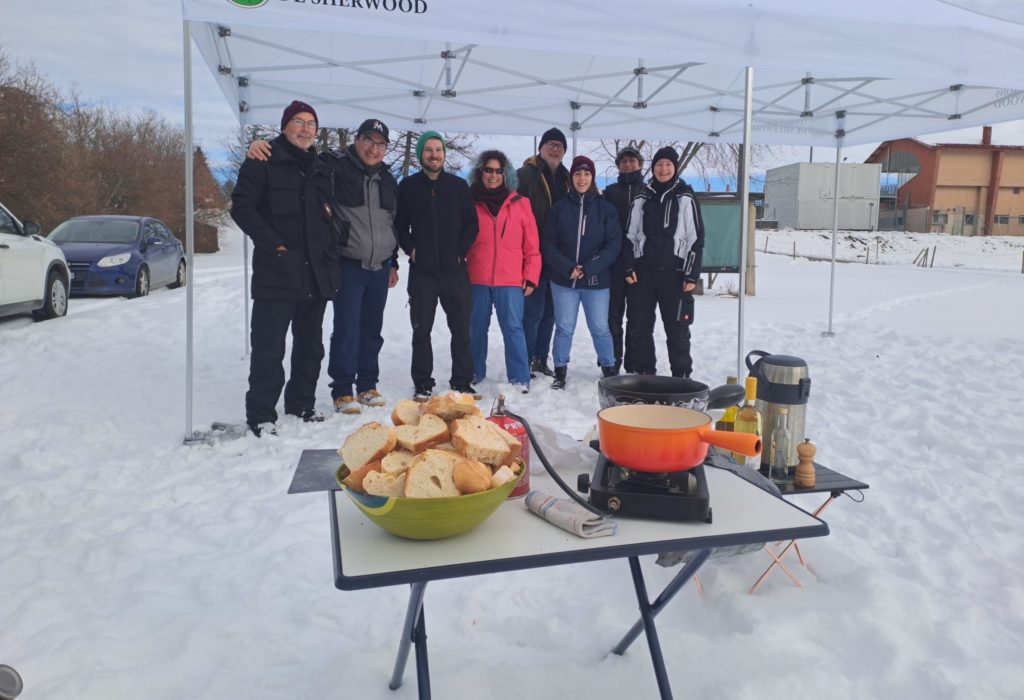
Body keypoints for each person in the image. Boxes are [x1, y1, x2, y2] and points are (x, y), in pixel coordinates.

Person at [230, 100, 341, 436]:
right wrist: (275, 245)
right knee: (269, 347)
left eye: (311, 124)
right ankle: (262, 415)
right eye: (298, 122)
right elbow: (242, 209)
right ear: (284, 126)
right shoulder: (262, 160)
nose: (305, 129)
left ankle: (301, 403)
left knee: (310, 346)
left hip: (314, 274)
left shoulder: (322, 168)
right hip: (277, 272)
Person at [394, 131, 479, 400]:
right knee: (422, 330)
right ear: (421, 154)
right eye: (429, 150)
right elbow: (399, 225)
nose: (434, 155)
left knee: (461, 330)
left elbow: (471, 225)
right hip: (423, 274)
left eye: (438, 150)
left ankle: (462, 380)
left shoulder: (457, 186)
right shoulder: (408, 186)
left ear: (444, 154)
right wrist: (411, 249)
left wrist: (460, 252)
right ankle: (422, 382)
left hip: (455, 273)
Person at [622, 146, 705, 378]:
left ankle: (681, 376)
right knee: (640, 327)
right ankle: (645, 373)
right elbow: (629, 235)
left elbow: (696, 238)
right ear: (653, 167)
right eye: (659, 164)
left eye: (668, 165)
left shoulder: (685, 197)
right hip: (643, 274)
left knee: (677, 329)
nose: (663, 169)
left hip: (675, 274)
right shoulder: (642, 197)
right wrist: (629, 266)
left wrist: (691, 273)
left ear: (675, 168)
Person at [540, 156, 621, 390]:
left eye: (586, 174)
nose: (582, 178)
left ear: (592, 177)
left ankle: (609, 369)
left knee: (600, 327)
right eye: (577, 174)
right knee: (564, 327)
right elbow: (548, 243)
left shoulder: (606, 209)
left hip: (596, 281)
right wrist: (567, 267)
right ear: (571, 178)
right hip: (564, 282)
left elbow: (613, 244)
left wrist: (588, 267)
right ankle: (560, 370)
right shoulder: (560, 208)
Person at [466, 150, 541, 393]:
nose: (493, 175)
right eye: (488, 170)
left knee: (513, 328)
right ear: (480, 172)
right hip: (476, 277)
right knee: (475, 327)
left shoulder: (520, 204)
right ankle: (473, 372)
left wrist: (531, 276)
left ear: (506, 173)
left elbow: (532, 246)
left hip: (510, 280)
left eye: (499, 170)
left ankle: (520, 378)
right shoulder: (469, 201)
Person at [516, 127, 570, 380]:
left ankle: (540, 358)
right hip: (533, 254)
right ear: (540, 148)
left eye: (559, 145)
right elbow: (513, 213)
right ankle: (524, 359)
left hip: (558, 256)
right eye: (550, 144)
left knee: (550, 312)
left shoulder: (567, 178)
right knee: (533, 312)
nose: (555, 148)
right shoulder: (525, 175)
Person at [600, 145, 645, 375]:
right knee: (612, 316)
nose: (628, 164)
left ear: (640, 164)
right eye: (624, 161)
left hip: (640, 265)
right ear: (618, 165)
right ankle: (612, 360)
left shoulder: (647, 191)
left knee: (636, 317)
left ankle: (633, 362)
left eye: (632, 161)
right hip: (614, 264)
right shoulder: (609, 192)